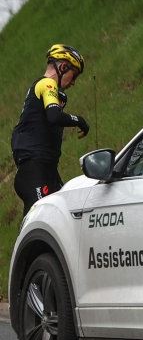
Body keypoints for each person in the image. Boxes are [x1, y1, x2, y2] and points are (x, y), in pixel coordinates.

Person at [11, 44, 89, 216]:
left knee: (65, 217)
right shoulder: (47, 84)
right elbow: (54, 116)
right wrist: (79, 120)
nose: (73, 82)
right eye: (73, 75)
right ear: (63, 67)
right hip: (35, 170)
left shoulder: (45, 89)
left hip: (47, 171)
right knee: (44, 220)